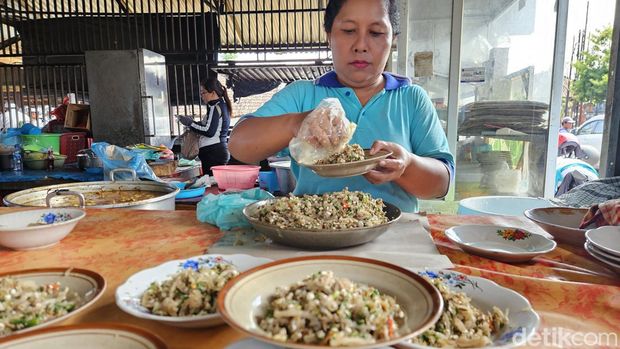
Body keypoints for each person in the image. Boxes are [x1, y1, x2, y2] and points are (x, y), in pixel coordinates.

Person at [228, 0, 454, 212]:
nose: (361, 45)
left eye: (375, 33)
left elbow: (441, 185)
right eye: (348, 31)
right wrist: (296, 123)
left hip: (392, 240)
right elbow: (239, 145)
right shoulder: (303, 94)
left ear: (392, 39)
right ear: (329, 35)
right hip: (314, 233)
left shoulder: (411, 99)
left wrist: (406, 165)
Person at [178, 77, 232, 175]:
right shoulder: (221, 105)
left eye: (203, 93)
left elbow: (209, 131)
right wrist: (192, 122)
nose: (202, 96)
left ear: (213, 93)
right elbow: (208, 126)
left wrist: (190, 123)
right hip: (216, 151)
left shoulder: (214, 107)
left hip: (213, 153)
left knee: (212, 184)